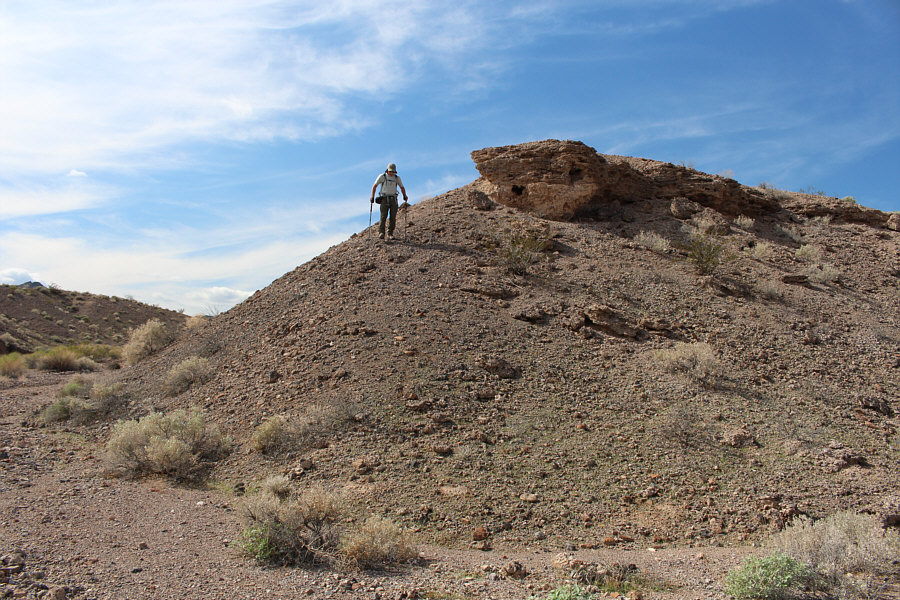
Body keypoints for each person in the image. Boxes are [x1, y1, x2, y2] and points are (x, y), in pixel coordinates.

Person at [370, 163, 408, 240]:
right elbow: (374, 186)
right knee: (383, 216)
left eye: (393, 172)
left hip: (393, 199)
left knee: (393, 217)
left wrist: (405, 195)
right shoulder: (382, 177)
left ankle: (390, 233)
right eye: (390, 171)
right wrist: (372, 196)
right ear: (387, 170)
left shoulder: (397, 178)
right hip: (384, 199)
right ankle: (381, 233)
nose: (391, 173)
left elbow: (402, 187)